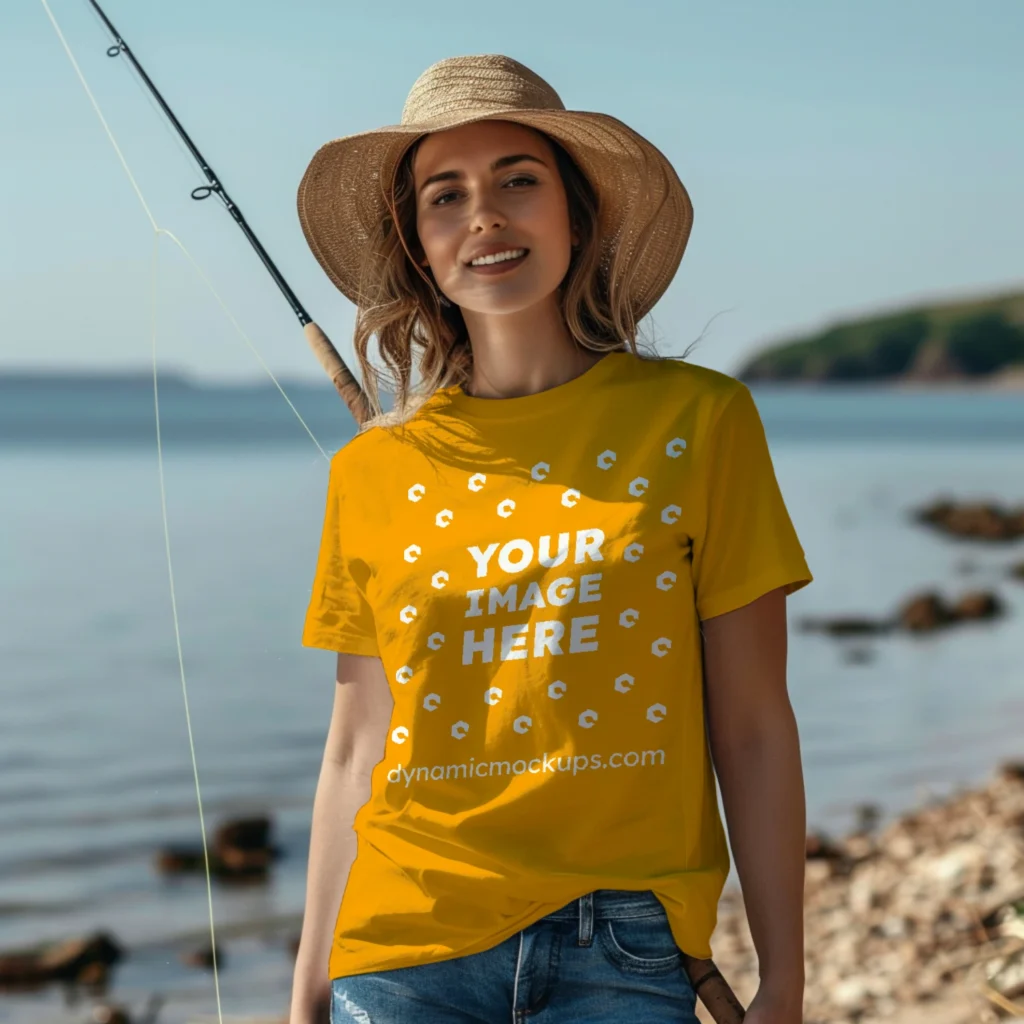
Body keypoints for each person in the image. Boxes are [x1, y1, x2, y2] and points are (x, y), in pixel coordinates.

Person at [289, 54, 813, 1024]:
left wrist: (782, 976)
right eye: (445, 196)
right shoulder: (369, 469)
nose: (483, 216)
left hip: (622, 942)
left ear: (577, 212)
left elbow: (751, 722)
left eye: (516, 181)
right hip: (402, 943)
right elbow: (354, 748)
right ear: (418, 245)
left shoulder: (699, 423)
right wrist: (306, 989)